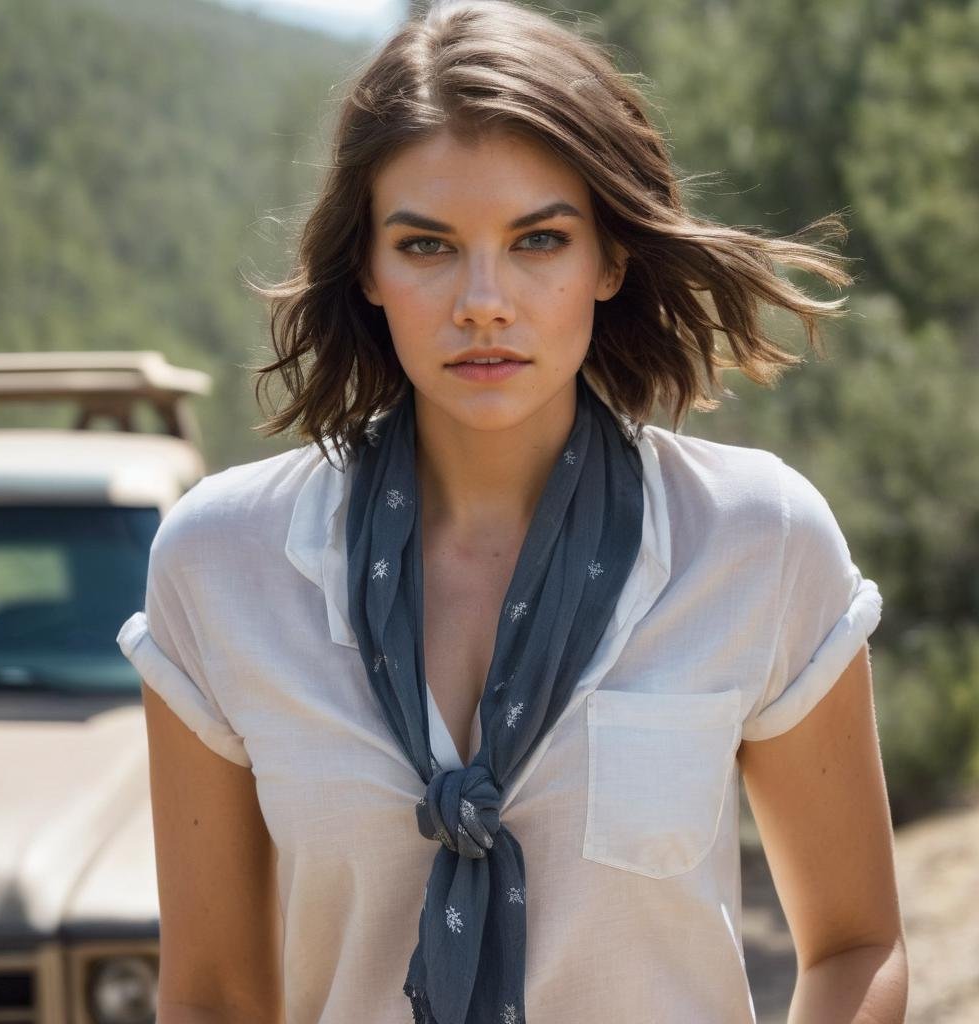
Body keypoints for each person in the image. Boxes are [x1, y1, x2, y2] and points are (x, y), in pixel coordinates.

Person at [116, 1, 908, 1021]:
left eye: (537, 239)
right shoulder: (223, 564)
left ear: (608, 259)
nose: (482, 299)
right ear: (367, 266)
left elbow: (856, 941)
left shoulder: (756, 540)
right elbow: (217, 994)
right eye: (428, 245)